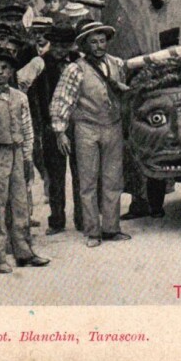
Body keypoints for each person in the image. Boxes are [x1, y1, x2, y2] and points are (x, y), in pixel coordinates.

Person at [50, 20, 130, 248]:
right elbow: (61, 100)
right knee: (87, 182)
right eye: (93, 42)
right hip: (86, 128)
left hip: (112, 126)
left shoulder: (117, 64)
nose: (98, 46)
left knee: (113, 179)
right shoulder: (75, 69)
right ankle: (92, 231)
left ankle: (112, 228)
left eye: (102, 41)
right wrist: (60, 132)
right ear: (84, 45)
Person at [0, 49, 50, 273]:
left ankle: (23, 251)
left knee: (21, 203)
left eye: (5, 68)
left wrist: (28, 156)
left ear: (11, 71)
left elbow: (27, 127)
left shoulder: (20, 97)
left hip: (17, 152)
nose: (0, 72)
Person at [26, 25, 83, 236]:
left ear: (71, 45)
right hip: (51, 125)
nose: (60, 50)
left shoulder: (79, 61)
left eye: (64, 45)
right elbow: (28, 90)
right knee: (55, 174)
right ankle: (57, 220)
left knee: (80, 172)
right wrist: (40, 122)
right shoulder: (41, 63)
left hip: (77, 123)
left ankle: (82, 218)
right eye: (56, 45)